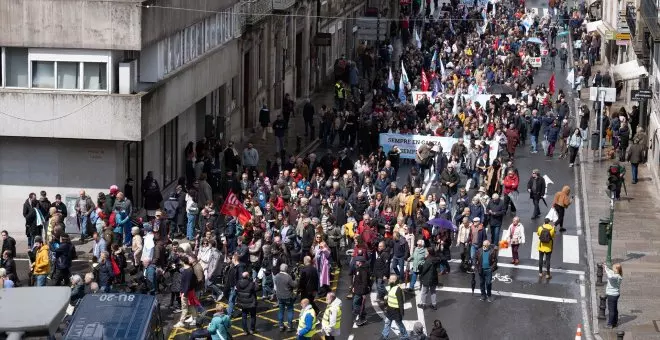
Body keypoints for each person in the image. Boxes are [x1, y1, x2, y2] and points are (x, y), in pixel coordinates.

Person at [381, 274, 408, 340]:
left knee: (399, 324)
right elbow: (389, 295)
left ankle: (405, 336)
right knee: (387, 322)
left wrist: (402, 313)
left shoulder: (398, 289)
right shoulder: (391, 286)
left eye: (390, 279)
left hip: (396, 311)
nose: (389, 280)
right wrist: (386, 300)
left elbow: (400, 302)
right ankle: (385, 336)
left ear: (394, 280)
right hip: (390, 310)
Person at [274, 263, 297, 332]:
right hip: (287, 296)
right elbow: (294, 285)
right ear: (286, 269)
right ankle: (290, 326)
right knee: (290, 310)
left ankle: (281, 325)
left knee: (281, 311)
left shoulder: (276, 276)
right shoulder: (288, 277)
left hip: (279, 296)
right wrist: (296, 279)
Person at [603, 263, 623, 328]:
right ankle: (615, 321)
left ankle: (610, 324)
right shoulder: (619, 275)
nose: (612, 268)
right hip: (616, 294)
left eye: (613, 267)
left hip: (612, 295)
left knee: (611, 310)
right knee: (614, 309)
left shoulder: (614, 277)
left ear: (616, 269)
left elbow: (610, 276)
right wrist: (606, 267)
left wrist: (606, 269)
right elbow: (610, 271)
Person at [352, 257, 370, 326]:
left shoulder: (363, 271)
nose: (356, 262)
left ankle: (362, 316)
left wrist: (363, 292)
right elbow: (356, 280)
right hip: (357, 289)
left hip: (360, 291)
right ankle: (361, 316)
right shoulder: (358, 269)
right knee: (359, 304)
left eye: (357, 261)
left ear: (360, 262)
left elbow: (364, 282)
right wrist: (353, 287)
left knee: (356, 303)